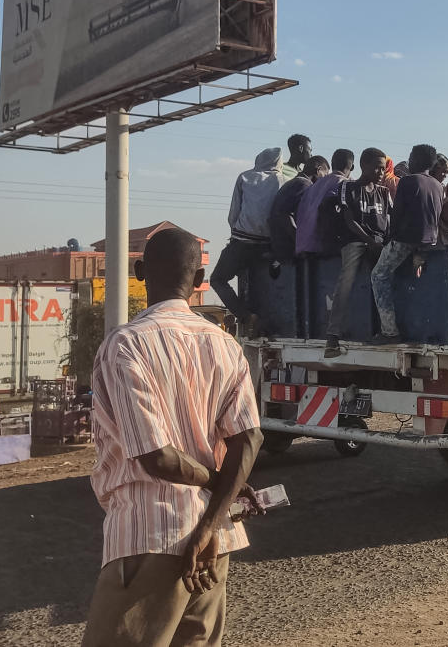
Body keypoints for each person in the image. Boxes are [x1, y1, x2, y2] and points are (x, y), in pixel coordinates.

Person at [82, 228, 263, 647]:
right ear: (200, 279)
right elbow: (248, 438)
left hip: (149, 536)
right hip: (215, 539)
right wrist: (218, 505)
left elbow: (155, 456)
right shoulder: (224, 345)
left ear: (140, 271)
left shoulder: (126, 345)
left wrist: (218, 481)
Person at [370, 145, 445, 342]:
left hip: (406, 240)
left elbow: (397, 215)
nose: (409, 160)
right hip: (429, 242)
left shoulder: (408, 181)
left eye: (411, 157)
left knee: (378, 276)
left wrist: (389, 240)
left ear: (417, 161)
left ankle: (389, 331)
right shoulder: (438, 185)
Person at [209, 148, 287, 334]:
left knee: (218, 280)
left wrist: (237, 232)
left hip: (243, 241)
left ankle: (246, 316)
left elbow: (233, 214)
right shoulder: (284, 181)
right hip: (270, 245)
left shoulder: (245, 177)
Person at [325, 149, 392, 357]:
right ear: (363, 165)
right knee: (346, 282)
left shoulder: (384, 192)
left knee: (386, 279)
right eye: (377, 167)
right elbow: (349, 219)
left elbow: (391, 221)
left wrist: (384, 243)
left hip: (380, 243)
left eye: (383, 168)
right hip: (356, 241)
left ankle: (389, 331)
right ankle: (332, 336)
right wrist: (369, 241)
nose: (381, 172)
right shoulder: (348, 187)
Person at [268, 155, 329, 267]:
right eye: (324, 175)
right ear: (318, 169)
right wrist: (300, 240)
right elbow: (285, 214)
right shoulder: (303, 185)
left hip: (279, 242)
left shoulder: (292, 183)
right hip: (287, 245)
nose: (324, 180)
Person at [296, 149, 355, 257]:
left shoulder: (314, 185)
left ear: (332, 164)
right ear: (352, 167)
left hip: (303, 244)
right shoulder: (345, 184)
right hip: (322, 246)